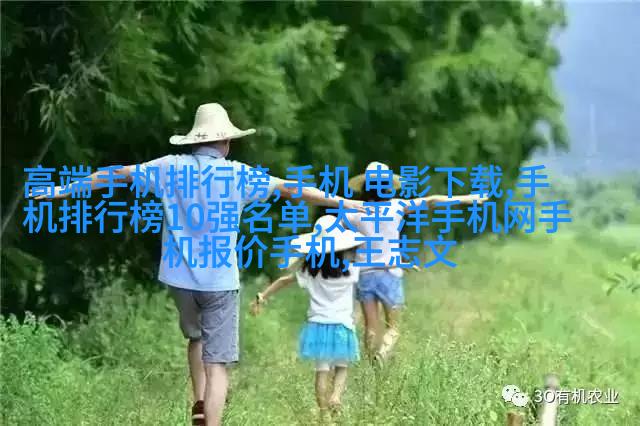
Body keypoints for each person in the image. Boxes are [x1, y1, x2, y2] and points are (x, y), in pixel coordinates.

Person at [32, 103, 365, 426]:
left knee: (196, 338)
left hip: (180, 281)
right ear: (226, 141)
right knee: (217, 365)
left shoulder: (168, 167)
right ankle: (210, 419)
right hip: (220, 281)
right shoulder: (239, 174)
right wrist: (341, 201)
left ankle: (199, 401)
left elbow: (117, 174)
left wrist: (64, 189)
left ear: (194, 140)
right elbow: (291, 189)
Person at [346, 161, 486, 364]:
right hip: (390, 273)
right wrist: (467, 198)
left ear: (365, 187)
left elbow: (345, 242)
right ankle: (382, 354)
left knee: (370, 327)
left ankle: (371, 366)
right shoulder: (397, 207)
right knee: (393, 328)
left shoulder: (354, 213)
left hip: (364, 274)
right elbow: (431, 201)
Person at [250, 215, 364, 420]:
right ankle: (336, 396)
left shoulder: (310, 272)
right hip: (343, 326)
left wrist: (262, 296)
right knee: (342, 367)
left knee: (321, 371)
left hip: (318, 327)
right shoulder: (351, 270)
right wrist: (397, 263)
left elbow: (284, 281)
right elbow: (375, 266)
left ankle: (324, 416)